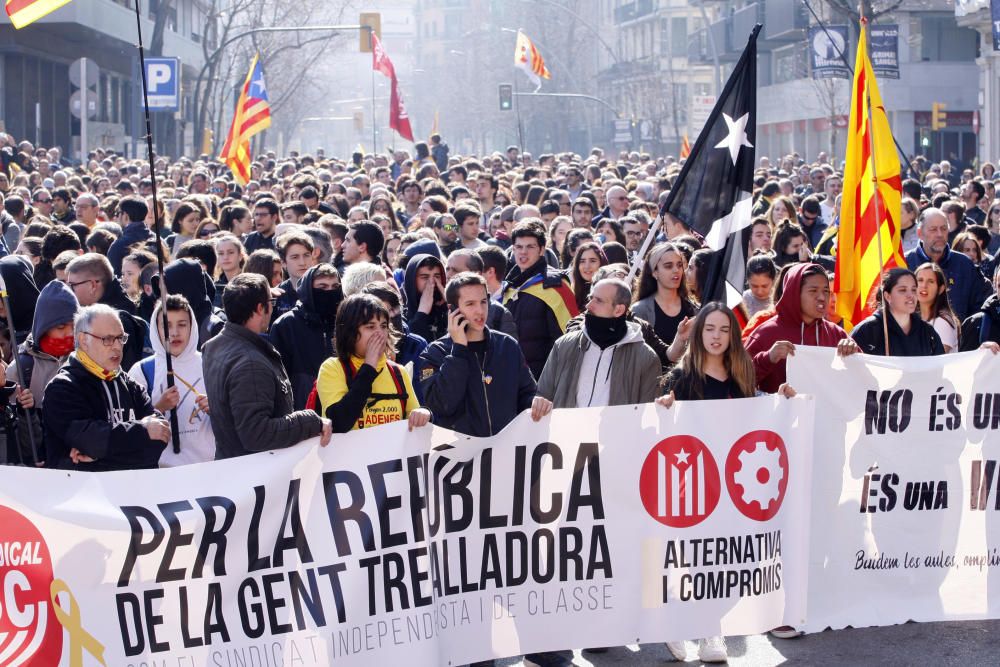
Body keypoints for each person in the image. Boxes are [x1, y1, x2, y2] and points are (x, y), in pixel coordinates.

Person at [656, 302, 797, 663]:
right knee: (691, 560)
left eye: (724, 330)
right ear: (698, 334)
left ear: (733, 336)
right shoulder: (680, 379)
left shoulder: (741, 375)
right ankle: (688, 625)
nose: (716, 337)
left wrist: (780, 402)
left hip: (733, 485)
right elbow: (661, 431)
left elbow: (756, 412)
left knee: (728, 561)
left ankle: (708, 626)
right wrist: (665, 409)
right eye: (709, 329)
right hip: (693, 484)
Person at [202, 273, 332, 458]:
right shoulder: (250, 364)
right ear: (260, 308)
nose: (273, 308)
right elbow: (257, 434)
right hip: (255, 475)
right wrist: (311, 421)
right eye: (271, 301)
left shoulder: (215, 345)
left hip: (234, 467)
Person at [42, 304, 169, 471]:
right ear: (83, 340)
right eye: (107, 339)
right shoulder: (62, 388)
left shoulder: (132, 387)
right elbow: (88, 441)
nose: (117, 346)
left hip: (133, 491)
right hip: (82, 494)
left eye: (121, 338)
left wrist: (101, 455)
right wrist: (143, 431)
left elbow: (160, 439)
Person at [420, 272, 536, 436]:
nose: (480, 310)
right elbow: (442, 405)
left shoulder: (507, 345)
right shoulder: (434, 353)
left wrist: (535, 402)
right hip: (460, 457)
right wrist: (459, 350)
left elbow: (527, 393)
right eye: (470, 304)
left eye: (483, 302)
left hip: (505, 452)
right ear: (453, 310)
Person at [531, 278, 660, 413]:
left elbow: (648, 415)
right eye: (590, 298)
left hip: (617, 433)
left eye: (598, 301)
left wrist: (664, 406)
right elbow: (542, 395)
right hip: (567, 432)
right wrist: (539, 402)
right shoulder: (563, 345)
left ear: (618, 310)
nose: (588, 306)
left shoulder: (646, 358)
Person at [316, 294, 431, 432]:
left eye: (383, 326)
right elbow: (339, 423)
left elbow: (415, 422)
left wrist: (424, 414)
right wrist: (369, 367)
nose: (380, 333)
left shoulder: (398, 371)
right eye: (370, 327)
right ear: (349, 332)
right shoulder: (332, 368)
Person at [128, 294, 215, 466]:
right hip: (161, 475)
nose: (174, 333)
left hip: (209, 469)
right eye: (166, 326)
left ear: (192, 326)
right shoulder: (142, 371)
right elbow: (128, 427)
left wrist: (216, 408)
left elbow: (235, 418)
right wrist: (158, 407)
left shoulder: (210, 363)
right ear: (155, 328)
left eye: (182, 325)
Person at [744, 263, 853, 393]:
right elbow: (737, 383)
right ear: (794, 293)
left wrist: (853, 355)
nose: (822, 298)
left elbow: (864, 382)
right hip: (780, 413)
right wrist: (768, 358)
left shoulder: (837, 335)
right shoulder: (765, 334)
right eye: (813, 291)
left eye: (826, 291)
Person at [5, 279, 79, 465]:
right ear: (43, 327)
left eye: (74, 325)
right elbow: (17, 437)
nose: (68, 334)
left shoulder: (86, 358)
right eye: (61, 327)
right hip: (41, 469)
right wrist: (25, 412)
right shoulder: (22, 368)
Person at [502, 220, 580, 379]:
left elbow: (569, 339)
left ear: (542, 250)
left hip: (543, 378)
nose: (523, 252)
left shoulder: (555, 285)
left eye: (530, 247)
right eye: (518, 247)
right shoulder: (508, 284)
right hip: (512, 374)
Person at [270, 264, 343, 410]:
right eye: (322, 287)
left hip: (339, 406)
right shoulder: (286, 325)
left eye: (334, 287)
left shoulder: (344, 322)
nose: (329, 292)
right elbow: (278, 378)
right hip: (301, 412)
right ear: (309, 290)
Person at [905, 208, 992, 320]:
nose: (940, 234)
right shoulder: (905, 263)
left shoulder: (964, 265)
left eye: (944, 228)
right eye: (933, 229)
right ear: (920, 233)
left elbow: (978, 307)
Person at [65, 253, 148, 370]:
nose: (69, 291)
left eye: (73, 285)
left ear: (93, 285)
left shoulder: (119, 320)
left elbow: (121, 371)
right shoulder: (98, 312)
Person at [850, 268, 945, 356]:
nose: (910, 295)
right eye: (902, 290)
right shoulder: (866, 331)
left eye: (913, 289)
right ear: (887, 296)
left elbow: (940, 368)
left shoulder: (927, 333)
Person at [631, 242, 699, 362]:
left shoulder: (693, 309)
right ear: (654, 272)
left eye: (679, 265)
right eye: (668, 266)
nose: (676, 270)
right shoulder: (639, 310)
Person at [915, 262, 959, 353]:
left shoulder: (943, 322)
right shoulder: (912, 318)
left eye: (930, 281)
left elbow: (936, 360)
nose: (924, 285)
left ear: (940, 289)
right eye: (920, 280)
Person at [107, 195, 156, 275]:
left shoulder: (119, 245)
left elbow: (114, 277)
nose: (116, 217)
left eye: (117, 213)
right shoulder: (158, 240)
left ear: (125, 216)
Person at [570, 241, 608, 311]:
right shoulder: (570, 294)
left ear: (602, 263)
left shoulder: (610, 294)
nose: (587, 266)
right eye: (582, 261)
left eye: (593, 261)